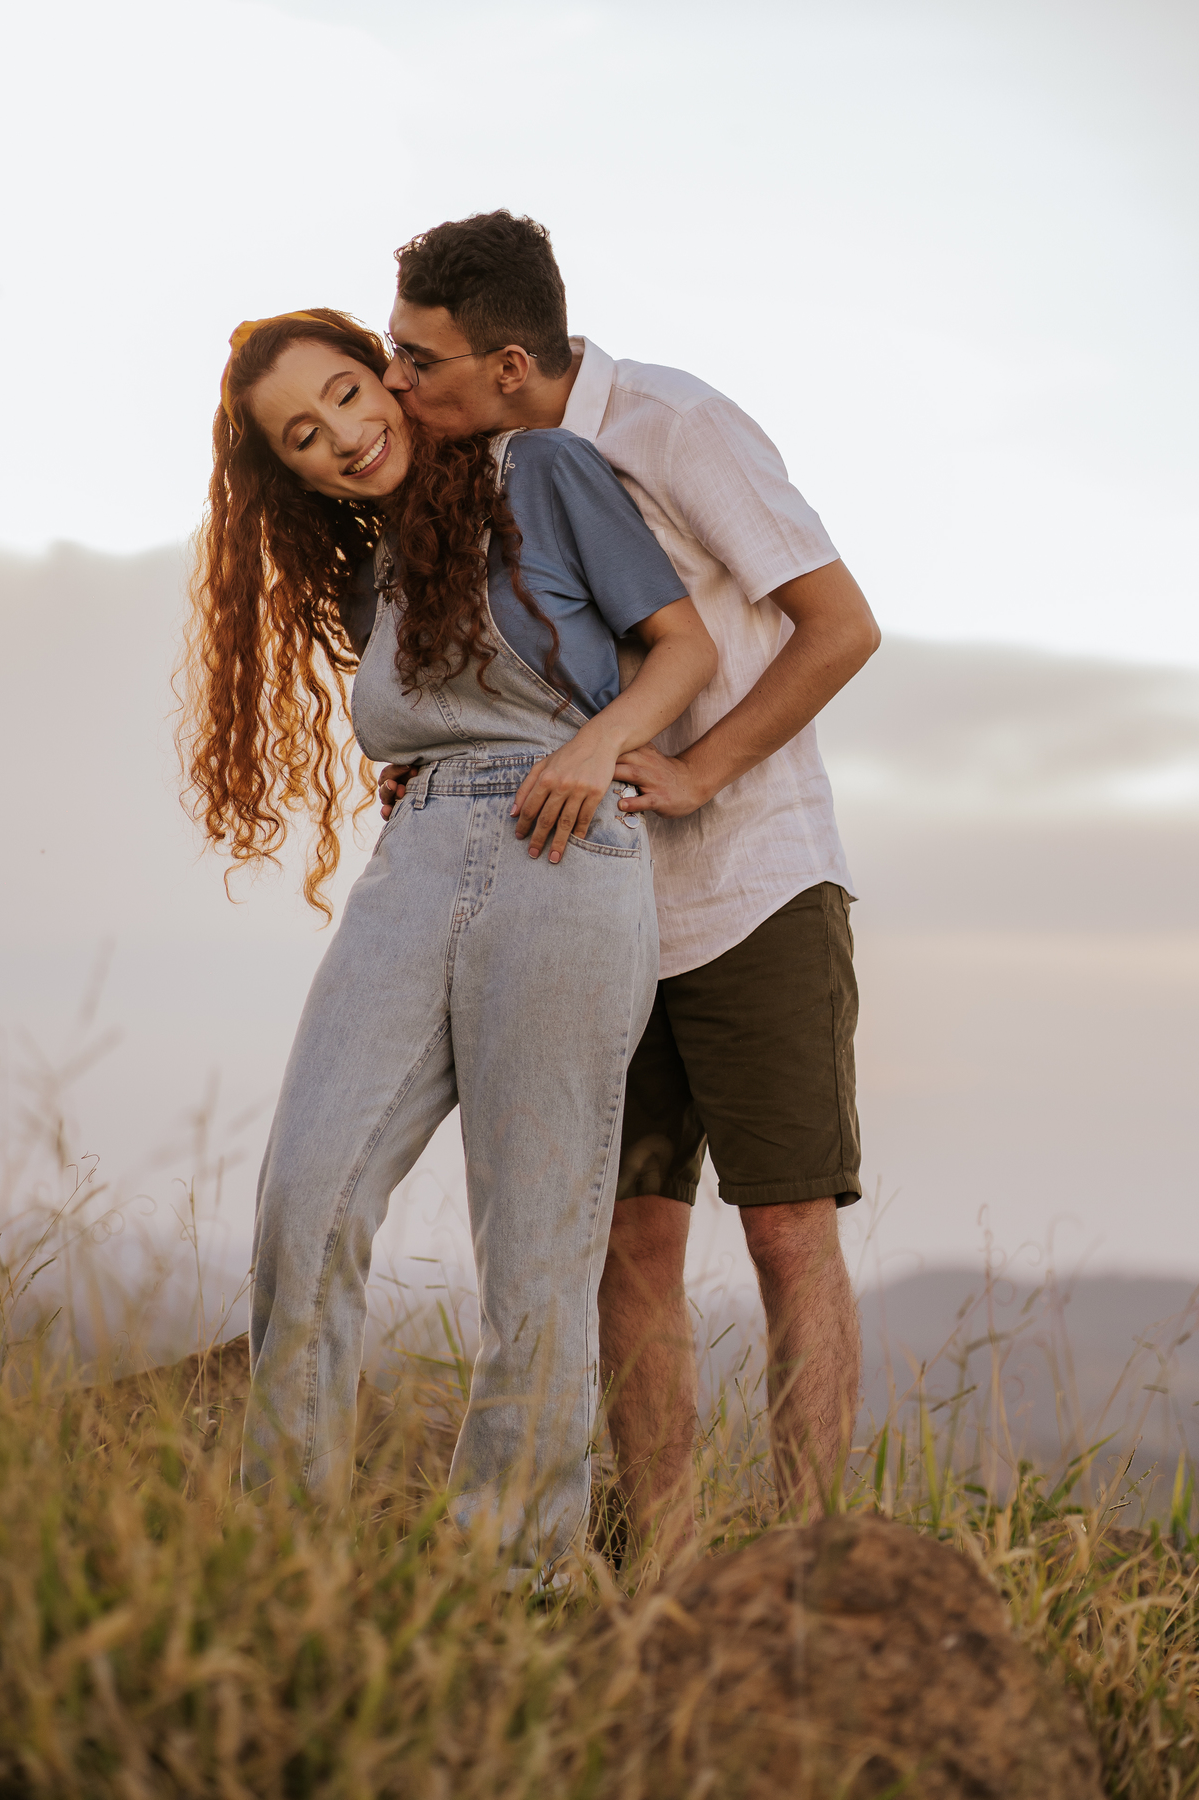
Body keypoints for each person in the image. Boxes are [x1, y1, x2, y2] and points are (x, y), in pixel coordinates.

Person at [179, 308, 716, 1580]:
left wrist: (596, 744)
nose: (344, 438)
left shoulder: (539, 470)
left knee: (539, 1241)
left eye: (351, 395)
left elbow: (680, 647)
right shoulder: (373, 566)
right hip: (414, 864)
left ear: (389, 374)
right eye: (303, 437)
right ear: (288, 470)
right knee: (306, 1199)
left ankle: (512, 1577)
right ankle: (283, 1559)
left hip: (559, 846)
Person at [375, 212, 881, 1553]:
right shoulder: (472, 472)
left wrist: (703, 770)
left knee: (784, 1235)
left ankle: (809, 1564)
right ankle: (661, 1568)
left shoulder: (679, 427)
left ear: (510, 360)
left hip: (753, 890)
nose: (397, 382)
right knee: (631, 1247)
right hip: (590, 909)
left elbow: (841, 626)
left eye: (418, 358)